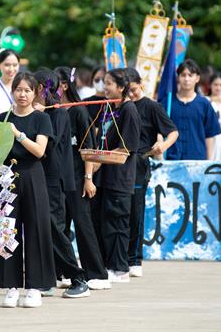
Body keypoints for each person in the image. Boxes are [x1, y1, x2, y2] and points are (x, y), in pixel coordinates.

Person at [0, 72, 55, 308]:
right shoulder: (3, 117)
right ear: (13, 91)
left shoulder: (41, 119)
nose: (22, 94)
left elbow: (40, 151)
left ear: (35, 93)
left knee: (36, 229)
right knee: (8, 231)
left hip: (33, 176)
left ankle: (35, 287)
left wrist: (18, 135)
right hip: (7, 178)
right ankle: (11, 286)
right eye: (18, 89)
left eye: (27, 90)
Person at [33, 68, 90, 299]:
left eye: (29, 88)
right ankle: (47, 279)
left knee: (55, 229)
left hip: (54, 179)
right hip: (40, 177)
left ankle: (78, 278)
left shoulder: (58, 114)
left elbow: (48, 147)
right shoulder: (44, 112)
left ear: (40, 89)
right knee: (42, 230)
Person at [55, 66, 110, 290]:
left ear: (65, 86)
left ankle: (96, 273)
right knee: (59, 226)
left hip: (78, 177)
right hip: (57, 179)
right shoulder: (51, 112)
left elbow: (88, 148)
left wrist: (88, 178)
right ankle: (64, 271)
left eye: (50, 86)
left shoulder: (78, 112)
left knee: (83, 223)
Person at [124, 68, 178, 277]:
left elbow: (172, 132)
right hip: (119, 162)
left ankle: (135, 259)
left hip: (140, 162)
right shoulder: (119, 105)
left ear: (141, 85)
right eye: (127, 90)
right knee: (119, 211)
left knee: (136, 212)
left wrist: (162, 146)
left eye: (134, 90)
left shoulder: (152, 107)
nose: (131, 94)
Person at [92, 69, 140, 283]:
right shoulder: (110, 107)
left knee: (118, 223)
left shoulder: (129, 110)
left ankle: (120, 268)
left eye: (109, 84)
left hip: (119, 177)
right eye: (104, 83)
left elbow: (127, 147)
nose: (105, 87)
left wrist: (100, 158)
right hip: (105, 175)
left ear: (121, 87)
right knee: (105, 222)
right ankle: (108, 263)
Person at [163, 59, 221, 160]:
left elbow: (210, 136)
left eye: (190, 75)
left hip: (197, 161)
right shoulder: (167, 103)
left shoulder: (204, 104)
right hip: (171, 160)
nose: (186, 79)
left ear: (197, 78)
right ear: (178, 78)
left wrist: (209, 162)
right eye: (183, 75)